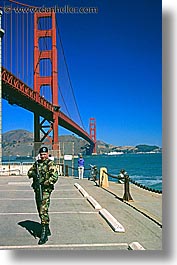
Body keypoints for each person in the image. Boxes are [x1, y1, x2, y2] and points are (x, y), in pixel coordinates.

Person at [27, 146, 58, 245]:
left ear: (47, 154)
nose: (43, 156)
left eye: (44, 154)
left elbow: (55, 176)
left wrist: (46, 182)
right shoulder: (37, 164)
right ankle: (47, 228)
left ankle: (43, 233)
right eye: (41, 154)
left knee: (43, 210)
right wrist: (34, 174)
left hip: (45, 190)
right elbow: (29, 172)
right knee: (39, 209)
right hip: (37, 189)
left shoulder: (50, 164)